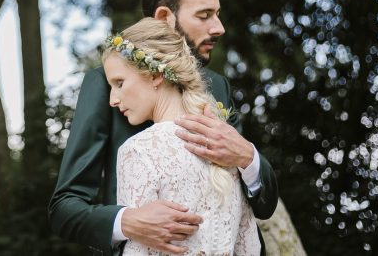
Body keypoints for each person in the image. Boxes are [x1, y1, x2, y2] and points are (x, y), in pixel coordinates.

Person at [49, 0, 278, 255]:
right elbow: (64, 206)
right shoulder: (106, 84)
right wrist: (127, 222)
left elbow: (261, 206)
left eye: (217, 14)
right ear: (164, 18)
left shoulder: (218, 87)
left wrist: (248, 157)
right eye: (204, 15)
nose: (219, 28)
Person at [104, 17, 261, 255]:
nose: (112, 100)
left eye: (119, 83)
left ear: (156, 75)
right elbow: (250, 247)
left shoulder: (138, 150)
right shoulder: (227, 150)